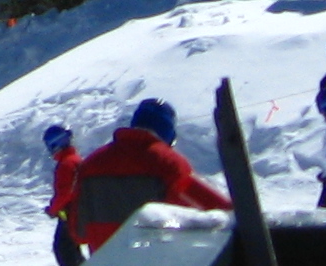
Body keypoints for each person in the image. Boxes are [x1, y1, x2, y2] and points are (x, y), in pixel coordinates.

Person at [70, 99, 231, 253]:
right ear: (168, 133)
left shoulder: (90, 164)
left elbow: (78, 232)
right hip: (155, 264)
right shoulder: (169, 163)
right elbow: (218, 210)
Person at [40, 123, 84, 266]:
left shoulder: (66, 164)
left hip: (70, 213)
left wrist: (53, 209)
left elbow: (65, 192)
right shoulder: (74, 160)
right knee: (71, 246)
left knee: (62, 246)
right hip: (77, 211)